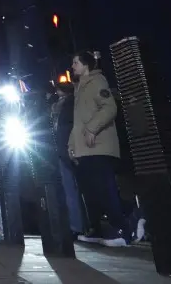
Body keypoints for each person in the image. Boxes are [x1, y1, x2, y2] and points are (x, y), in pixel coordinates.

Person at [69, 50, 127, 247]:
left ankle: (121, 230)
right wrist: (71, 145)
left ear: (86, 65)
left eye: (76, 62)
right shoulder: (78, 89)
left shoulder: (98, 82)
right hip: (84, 149)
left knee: (105, 188)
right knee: (90, 192)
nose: (73, 66)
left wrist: (93, 128)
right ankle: (96, 230)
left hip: (99, 147)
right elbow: (77, 123)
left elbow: (110, 108)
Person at [51, 80, 86, 237]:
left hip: (68, 150)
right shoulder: (67, 104)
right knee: (74, 189)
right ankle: (80, 225)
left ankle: (77, 226)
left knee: (71, 189)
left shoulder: (66, 105)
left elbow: (66, 129)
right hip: (67, 149)